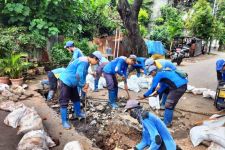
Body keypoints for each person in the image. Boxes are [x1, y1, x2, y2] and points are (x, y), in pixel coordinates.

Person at [58, 51, 102, 129]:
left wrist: (84, 85)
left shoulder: (87, 62)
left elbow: (83, 75)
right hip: (66, 81)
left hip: (73, 83)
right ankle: (64, 121)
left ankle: (78, 113)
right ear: (94, 58)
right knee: (64, 102)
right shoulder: (84, 61)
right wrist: (83, 85)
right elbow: (79, 74)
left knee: (76, 99)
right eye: (97, 61)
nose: (96, 63)